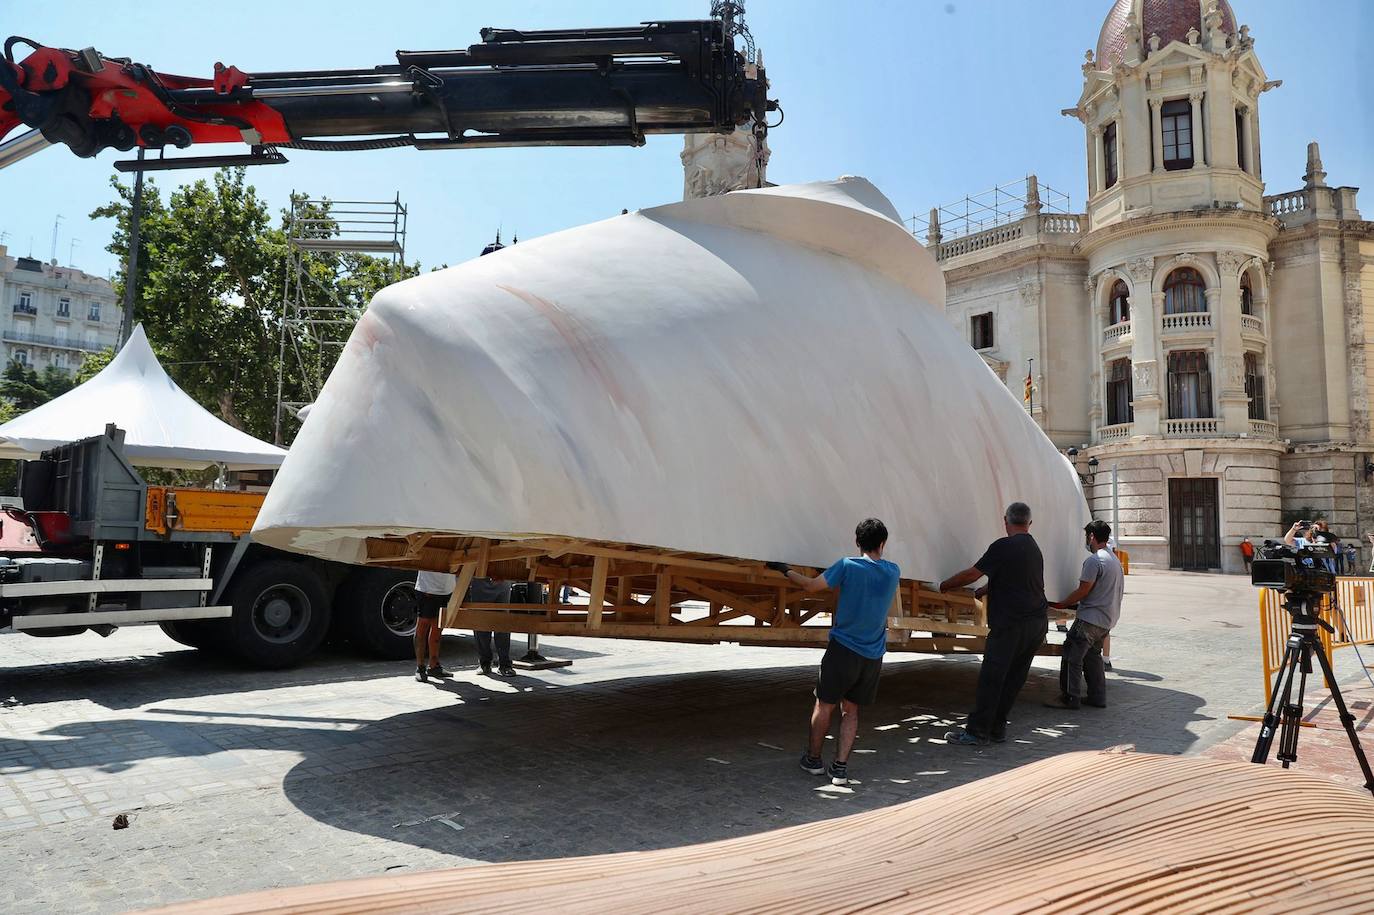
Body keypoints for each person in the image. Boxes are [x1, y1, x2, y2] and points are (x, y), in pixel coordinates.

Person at [766, 518, 899, 787]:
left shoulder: (847, 566)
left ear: (857, 542)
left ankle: (813, 760)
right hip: (873, 655)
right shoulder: (894, 571)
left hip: (843, 650)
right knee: (851, 711)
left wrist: (785, 569)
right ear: (883, 544)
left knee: (824, 705)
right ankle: (840, 769)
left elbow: (810, 586)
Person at [938, 502, 1049, 746]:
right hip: (1036, 624)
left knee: (992, 676)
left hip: (1012, 623)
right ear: (1029, 523)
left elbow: (972, 574)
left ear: (1005, 521)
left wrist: (944, 585)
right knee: (1014, 678)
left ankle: (977, 732)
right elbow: (1020, 579)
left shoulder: (1003, 546)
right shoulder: (1033, 547)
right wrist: (987, 590)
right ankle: (997, 728)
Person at [1044, 521, 1124, 710]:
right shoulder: (1113, 559)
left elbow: (1083, 590)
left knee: (1072, 654)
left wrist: (1062, 603)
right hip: (1107, 619)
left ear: (1091, 537)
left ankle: (1070, 697)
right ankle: (1097, 697)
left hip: (1090, 618)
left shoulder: (1094, 561)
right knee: (1092, 657)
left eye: (1086, 537)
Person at [469, 577, 517, 676]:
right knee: (481, 624)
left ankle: (504, 664)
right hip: (480, 580)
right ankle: (484, 663)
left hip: (502, 581)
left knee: (502, 625)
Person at [413, 570, 456, 681]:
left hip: (447, 589)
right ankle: (420, 667)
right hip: (427, 588)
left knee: (438, 627)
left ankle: (434, 665)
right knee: (423, 625)